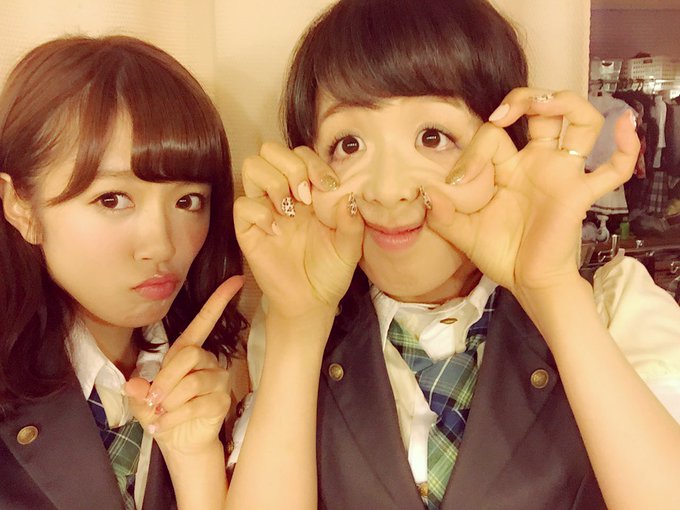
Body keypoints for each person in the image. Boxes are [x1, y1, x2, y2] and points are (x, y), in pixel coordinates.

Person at [231, 1, 680, 509]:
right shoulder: (297, 326)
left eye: (433, 137)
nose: (389, 190)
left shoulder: (616, 307)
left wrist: (551, 289)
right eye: (349, 144)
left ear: (502, 144)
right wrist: (298, 324)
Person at [0, 35, 317, 510]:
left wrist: (196, 465)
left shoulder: (216, 373)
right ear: (21, 207)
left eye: (188, 200)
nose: (163, 245)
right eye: (112, 199)